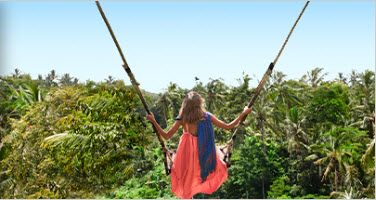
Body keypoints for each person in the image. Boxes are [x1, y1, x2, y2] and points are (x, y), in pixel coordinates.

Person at [146, 91, 252, 199]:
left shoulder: (182, 118)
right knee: (209, 171)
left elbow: (166, 136)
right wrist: (243, 113)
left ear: (185, 104)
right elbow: (228, 126)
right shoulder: (207, 116)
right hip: (205, 153)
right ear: (200, 103)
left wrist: (154, 121)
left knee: (186, 179)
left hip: (187, 156)